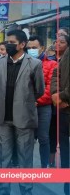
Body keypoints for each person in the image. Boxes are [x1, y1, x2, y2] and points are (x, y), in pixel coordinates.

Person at [0, 30, 45, 195]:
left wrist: (24, 100)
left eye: (12, 42)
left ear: (22, 44)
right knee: (3, 156)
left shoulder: (34, 63)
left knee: (25, 157)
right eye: (7, 42)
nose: (8, 45)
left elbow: (39, 90)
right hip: (3, 117)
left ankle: (26, 189)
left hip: (24, 117)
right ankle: (4, 188)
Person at [27, 35, 58, 168]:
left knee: (43, 138)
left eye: (34, 48)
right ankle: (25, 167)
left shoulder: (52, 64)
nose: (31, 50)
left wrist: (36, 100)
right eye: (29, 48)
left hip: (44, 107)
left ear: (42, 48)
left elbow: (50, 87)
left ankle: (44, 165)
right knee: (26, 139)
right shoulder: (24, 63)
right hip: (26, 106)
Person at [51, 34, 69, 195]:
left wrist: (63, 96)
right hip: (64, 110)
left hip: (65, 102)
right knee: (65, 150)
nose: (58, 43)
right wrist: (57, 95)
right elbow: (55, 77)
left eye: (62, 41)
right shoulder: (62, 59)